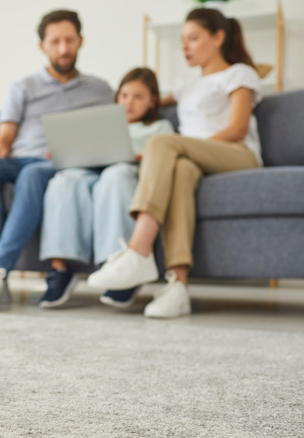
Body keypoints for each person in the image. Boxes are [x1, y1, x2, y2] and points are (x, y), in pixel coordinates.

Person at [87, 8, 263, 318]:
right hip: (192, 160)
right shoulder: (187, 87)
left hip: (236, 153)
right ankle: (178, 286)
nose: (185, 46)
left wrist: (186, 147)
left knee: (162, 143)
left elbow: (237, 127)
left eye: (193, 38)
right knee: (179, 170)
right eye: (182, 40)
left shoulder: (239, 73)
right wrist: (128, 102)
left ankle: (138, 250)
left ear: (219, 37)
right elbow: (148, 98)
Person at [0, 10, 114, 312]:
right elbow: (5, 138)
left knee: (34, 174)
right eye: (55, 41)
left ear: (80, 41)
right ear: (43, 46)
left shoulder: (101, 89)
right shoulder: (23, 87)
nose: (63, 49)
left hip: (60, 164)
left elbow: (116, 129)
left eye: (69, 40)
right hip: (20, 158)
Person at [38, 67, 174, 309]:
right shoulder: (103, 122)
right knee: (64, 181)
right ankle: (60, 268)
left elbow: (165, 159)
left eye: (138, 96)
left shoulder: (159, 128)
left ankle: (120, 270)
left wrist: (142, 155)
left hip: (126, 170)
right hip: (90, 168)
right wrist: (65, 152)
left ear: (153, 100)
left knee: (114, 178)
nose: (129, 102)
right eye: (124, 95)